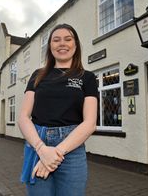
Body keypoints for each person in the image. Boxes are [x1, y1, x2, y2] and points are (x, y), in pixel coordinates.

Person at [18, 23, 98, 196]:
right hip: (37, 144)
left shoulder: (87, 77)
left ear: (75, 46)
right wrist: (41, 149)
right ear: (50, 47)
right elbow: (24, 117)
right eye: (56, 40)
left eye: (68, 39)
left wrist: (56, 153)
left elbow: (90, 123)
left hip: (71, 150)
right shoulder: (37, 75)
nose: (62, 43)